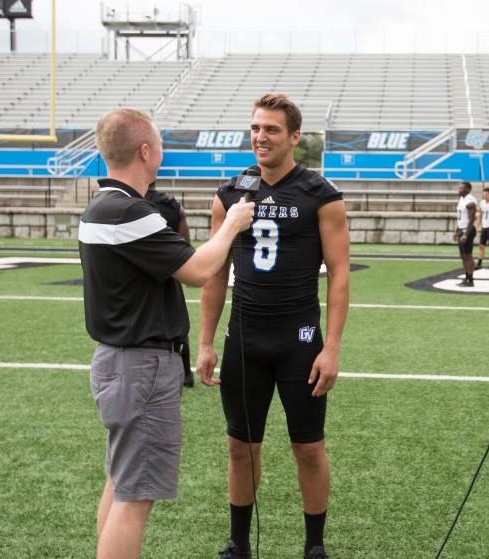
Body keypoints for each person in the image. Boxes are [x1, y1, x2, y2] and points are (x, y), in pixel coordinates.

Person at [79, 108, 254, 559]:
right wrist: (233, 223)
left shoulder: (102, 206)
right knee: (134, 498)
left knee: (120, 484)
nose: (161, 151)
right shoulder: (128, 211)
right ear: (144, 150)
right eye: (158, 143)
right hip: (141, 366)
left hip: (117, 361)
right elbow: (198, 269)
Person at [196, 93, 350, 559]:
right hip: (244, 336)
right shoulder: (230, 194)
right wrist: (204, 341)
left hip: (299, 340)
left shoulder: (320, 195)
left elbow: (340, 274)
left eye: (272, 130)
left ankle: (314, 546)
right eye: (256, 128)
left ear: (295, 137)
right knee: (240, 446)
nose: (261, 137)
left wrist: (333, 348)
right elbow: (214, 272)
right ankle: (238, 543)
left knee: (308, 448)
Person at [145, 182, 195, 388]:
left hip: (135, 280)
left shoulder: (121, 204)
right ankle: (186, 372)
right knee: (177, 324)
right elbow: (186, 248)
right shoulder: (172, 205)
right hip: (169, 276)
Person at [453, 181, 477, 287]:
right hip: (461, 229)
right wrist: (456, 231)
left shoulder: (470, 201)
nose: (459, 190)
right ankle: (466, 277)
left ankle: (471, 279)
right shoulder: (462, 199)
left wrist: (465, 234)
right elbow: (461, 218)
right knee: (463, 256)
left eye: (461, 188)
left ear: (468, 189)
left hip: (468, 230)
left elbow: (472, 219)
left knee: (468, 255)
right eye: (459, 188)